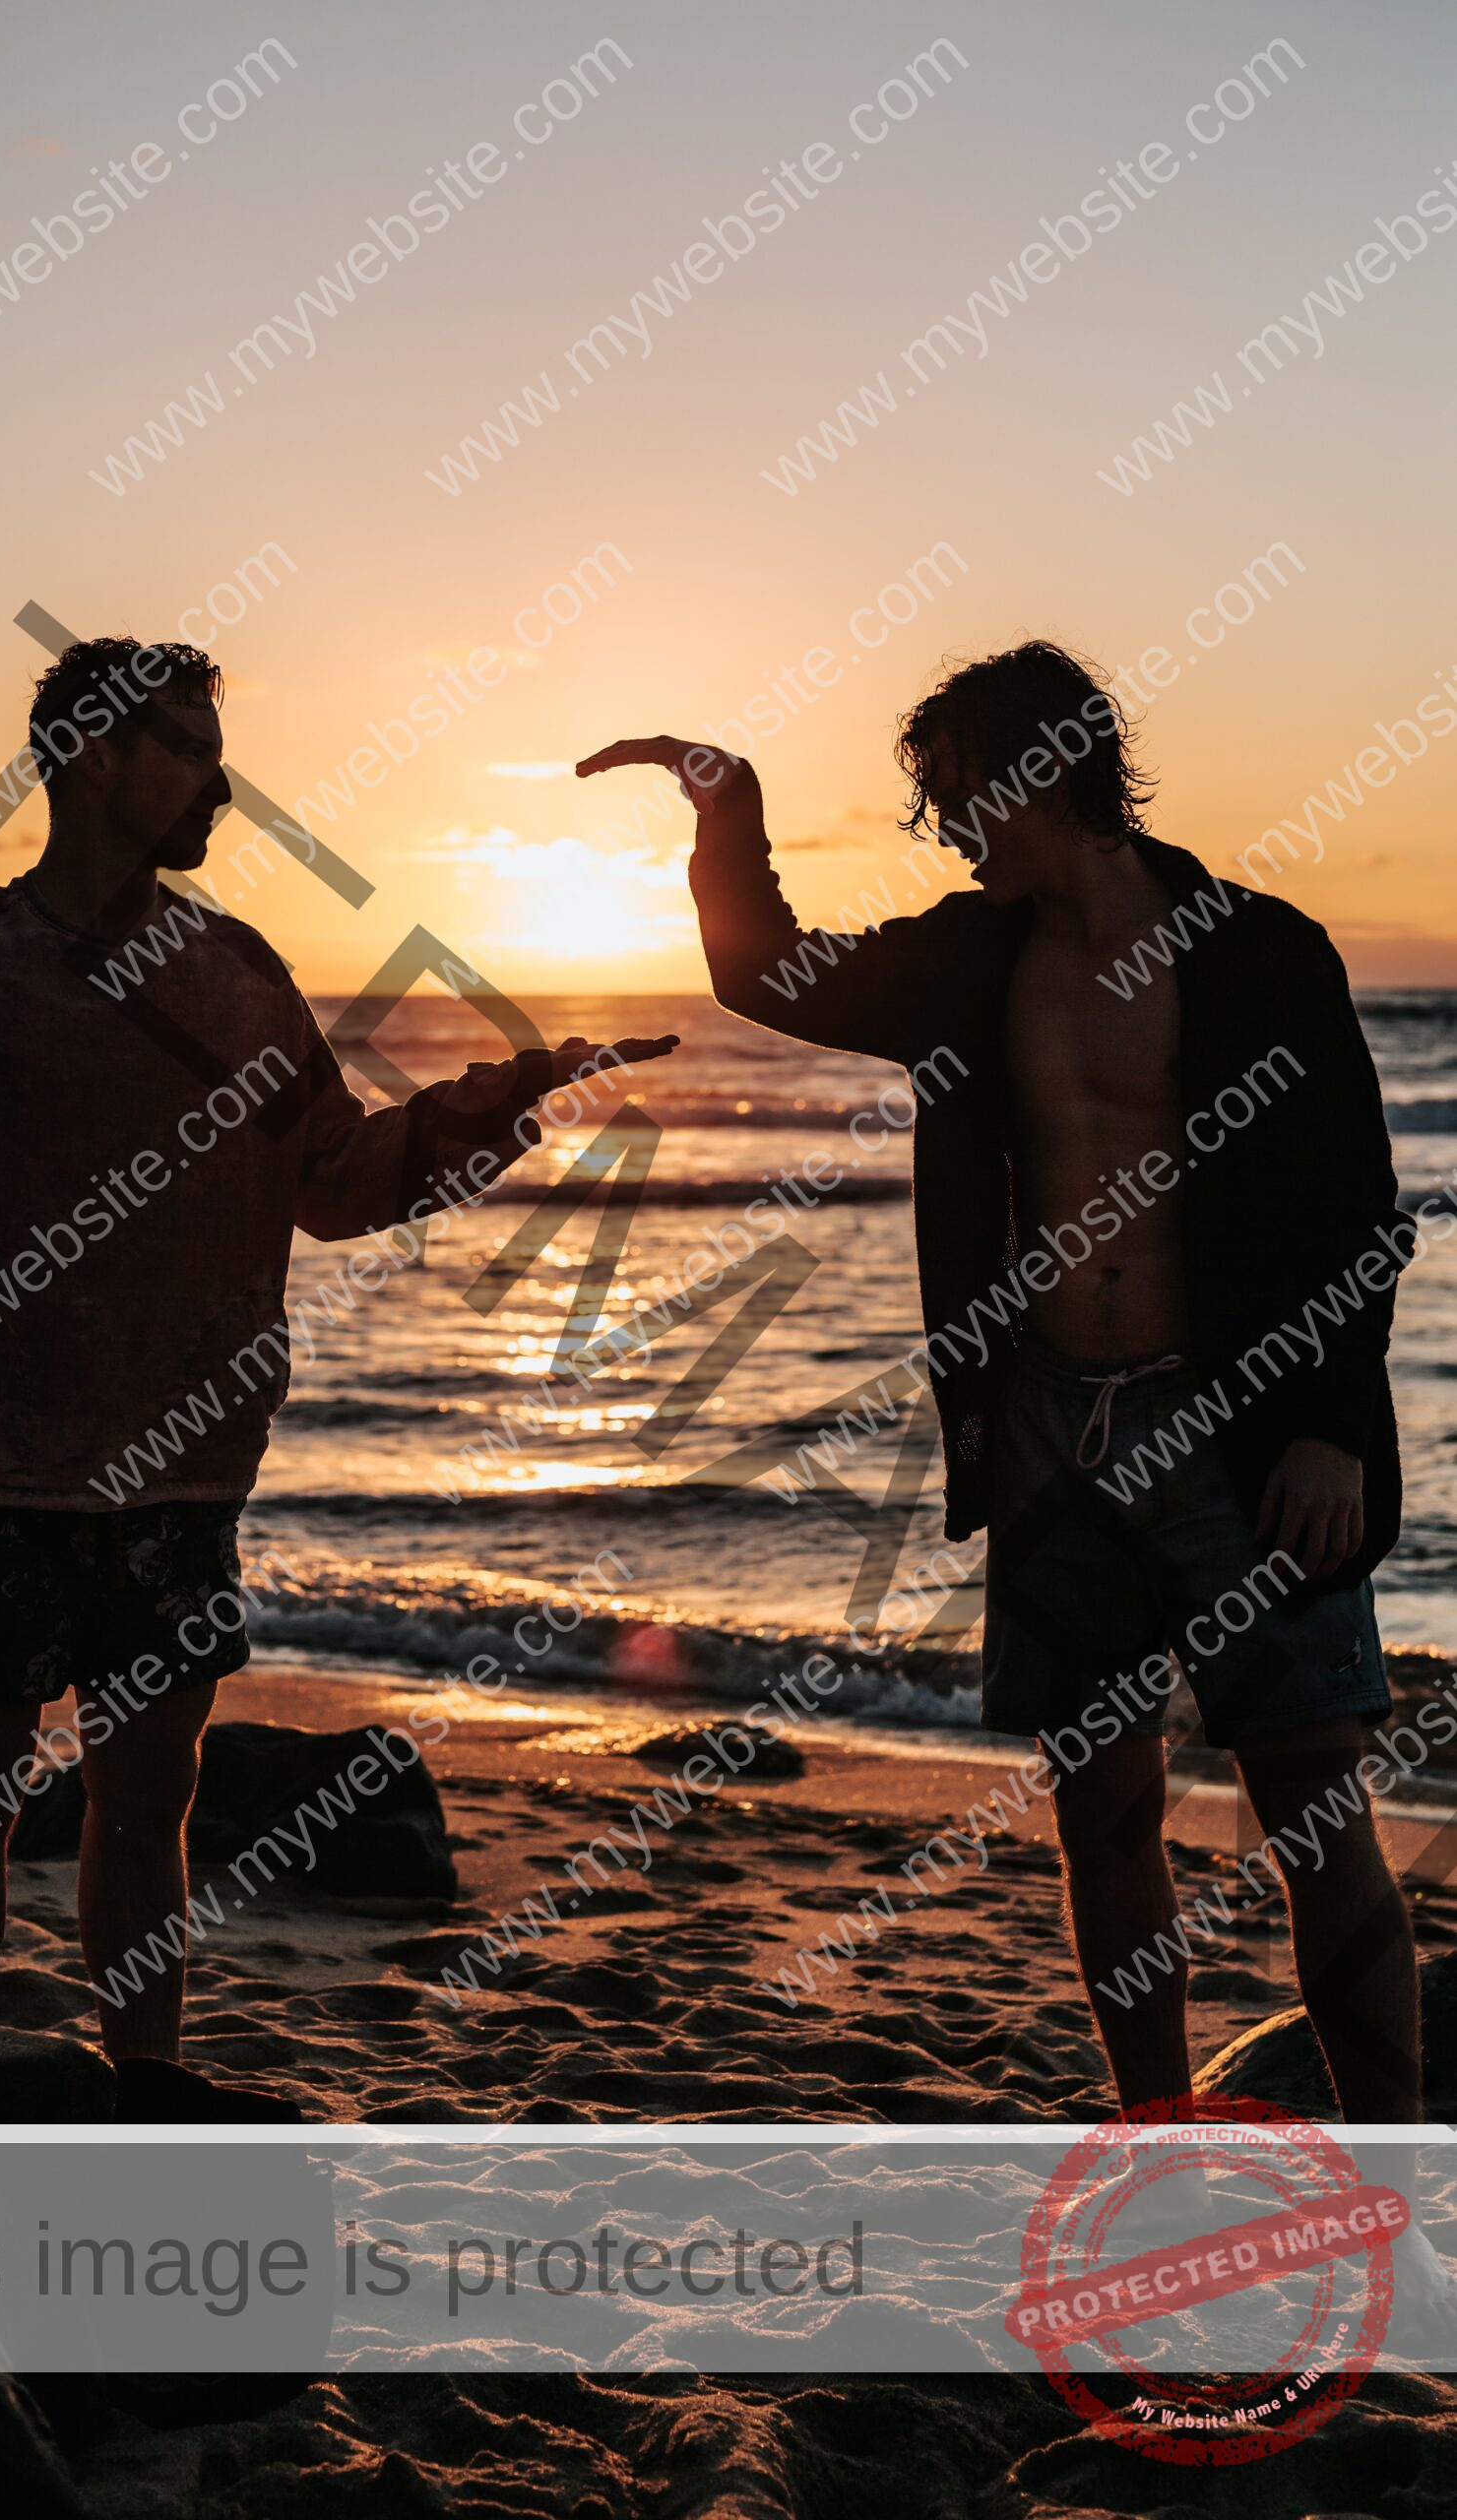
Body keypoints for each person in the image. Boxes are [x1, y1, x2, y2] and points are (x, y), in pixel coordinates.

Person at [579, 649, 1455, 2310]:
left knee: (1315, 1814)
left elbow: (1357, 1198)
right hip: (1055, 1429)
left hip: (1246, 1429)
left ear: (1034, 776)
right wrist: (726, 810)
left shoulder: (1266, 955)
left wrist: (1335, 1420)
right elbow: (769, 976)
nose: (949, 830)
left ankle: (1402, 2208)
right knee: (1104, 1815)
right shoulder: (969, 961)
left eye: (960, 794)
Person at [0, 635, 675, 2120]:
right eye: (185, 747)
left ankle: (147, 2090)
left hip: (179, 1470)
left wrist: (490, 1100)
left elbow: (328, 1176)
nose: (220, 779)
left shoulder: (242, 974)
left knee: (154, 1805)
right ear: (88, 760)